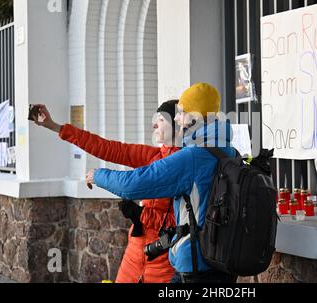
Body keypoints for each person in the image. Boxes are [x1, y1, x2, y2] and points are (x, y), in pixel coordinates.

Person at [87, 83, 238, 283]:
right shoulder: (229, 152)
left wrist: (98, 175)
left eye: (182, 112)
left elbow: (134, 184)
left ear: (196, 118)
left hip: (195, 266)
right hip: (223, 262)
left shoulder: (192, 156)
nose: (176, 117)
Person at [31, 100, 180, 283]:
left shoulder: (185, 164)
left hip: (164, 261)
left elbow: (181, 222)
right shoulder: (154, 156)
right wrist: (55, 127)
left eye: (162, 120)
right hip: (135, 253)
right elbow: (108, 148)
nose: (154, 125)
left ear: (177, 125)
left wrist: (141, 214)